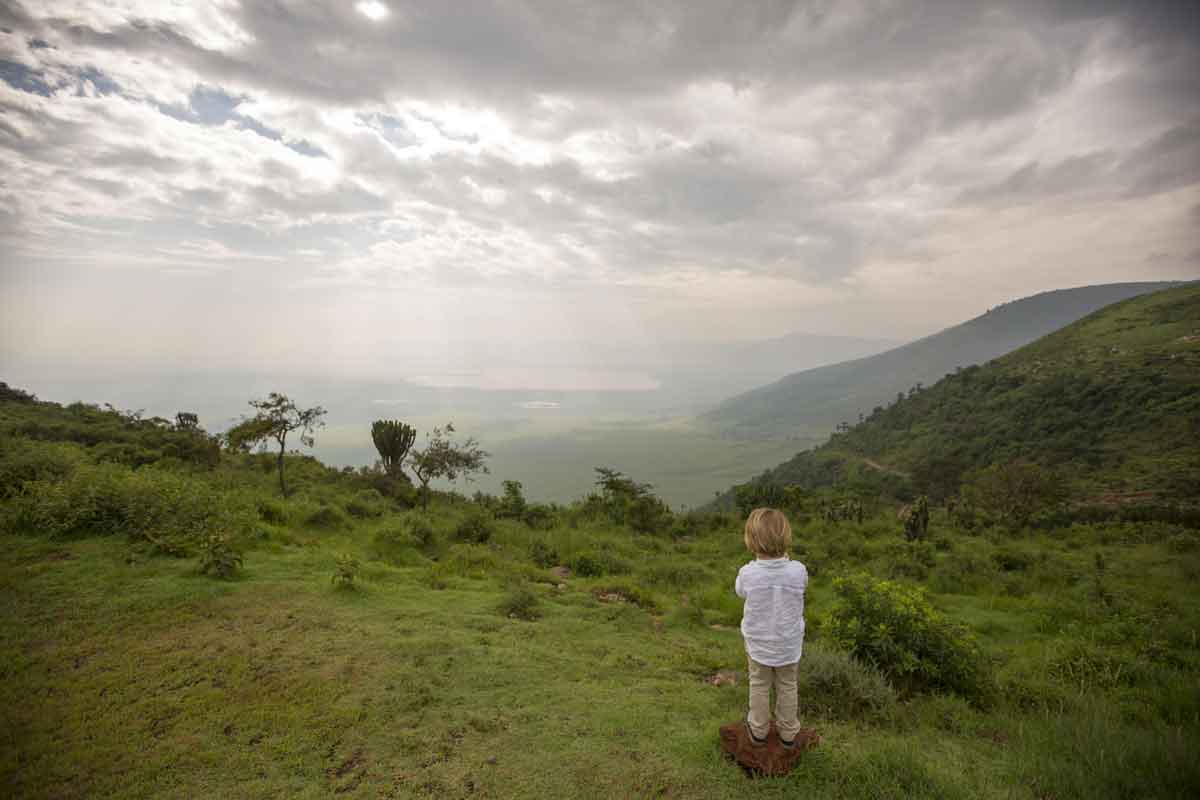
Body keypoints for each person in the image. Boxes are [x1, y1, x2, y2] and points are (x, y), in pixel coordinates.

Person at [735, 507, 808, 747]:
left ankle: (758, 730)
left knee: (759, 684)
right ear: (785, 536)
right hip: (788, 644)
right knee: (788, 685)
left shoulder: (748, 573)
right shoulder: (798, 570)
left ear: (751, 540)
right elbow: (802, 586)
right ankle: (788, 733)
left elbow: (740, 592)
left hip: (759, 644)